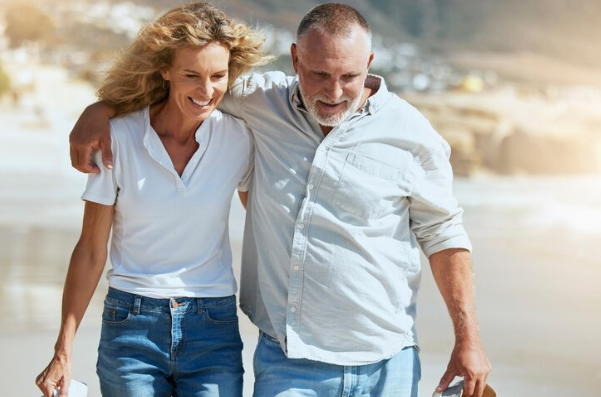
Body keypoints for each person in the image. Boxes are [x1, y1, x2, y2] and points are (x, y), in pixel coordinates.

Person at [68, 3, 492, 397]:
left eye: (349, 76)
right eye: (319, 75)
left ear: (369, 63)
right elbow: (187, 86)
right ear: (294, 60)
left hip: (388, 361)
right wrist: (100, 109)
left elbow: (443, 233)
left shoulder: (412, 133)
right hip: (290, 361)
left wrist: (468, 337)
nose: (334, 92)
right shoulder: (259, 102)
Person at [35, 2, 272, 397]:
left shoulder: (240, 139)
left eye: (218, 76)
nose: (207, 90)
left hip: (212, 323)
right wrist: (63, 349)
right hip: (131, 324)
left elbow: (266, 224)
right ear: (165, 70)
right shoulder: (117, 140)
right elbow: (92, 250)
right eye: (191, 75)